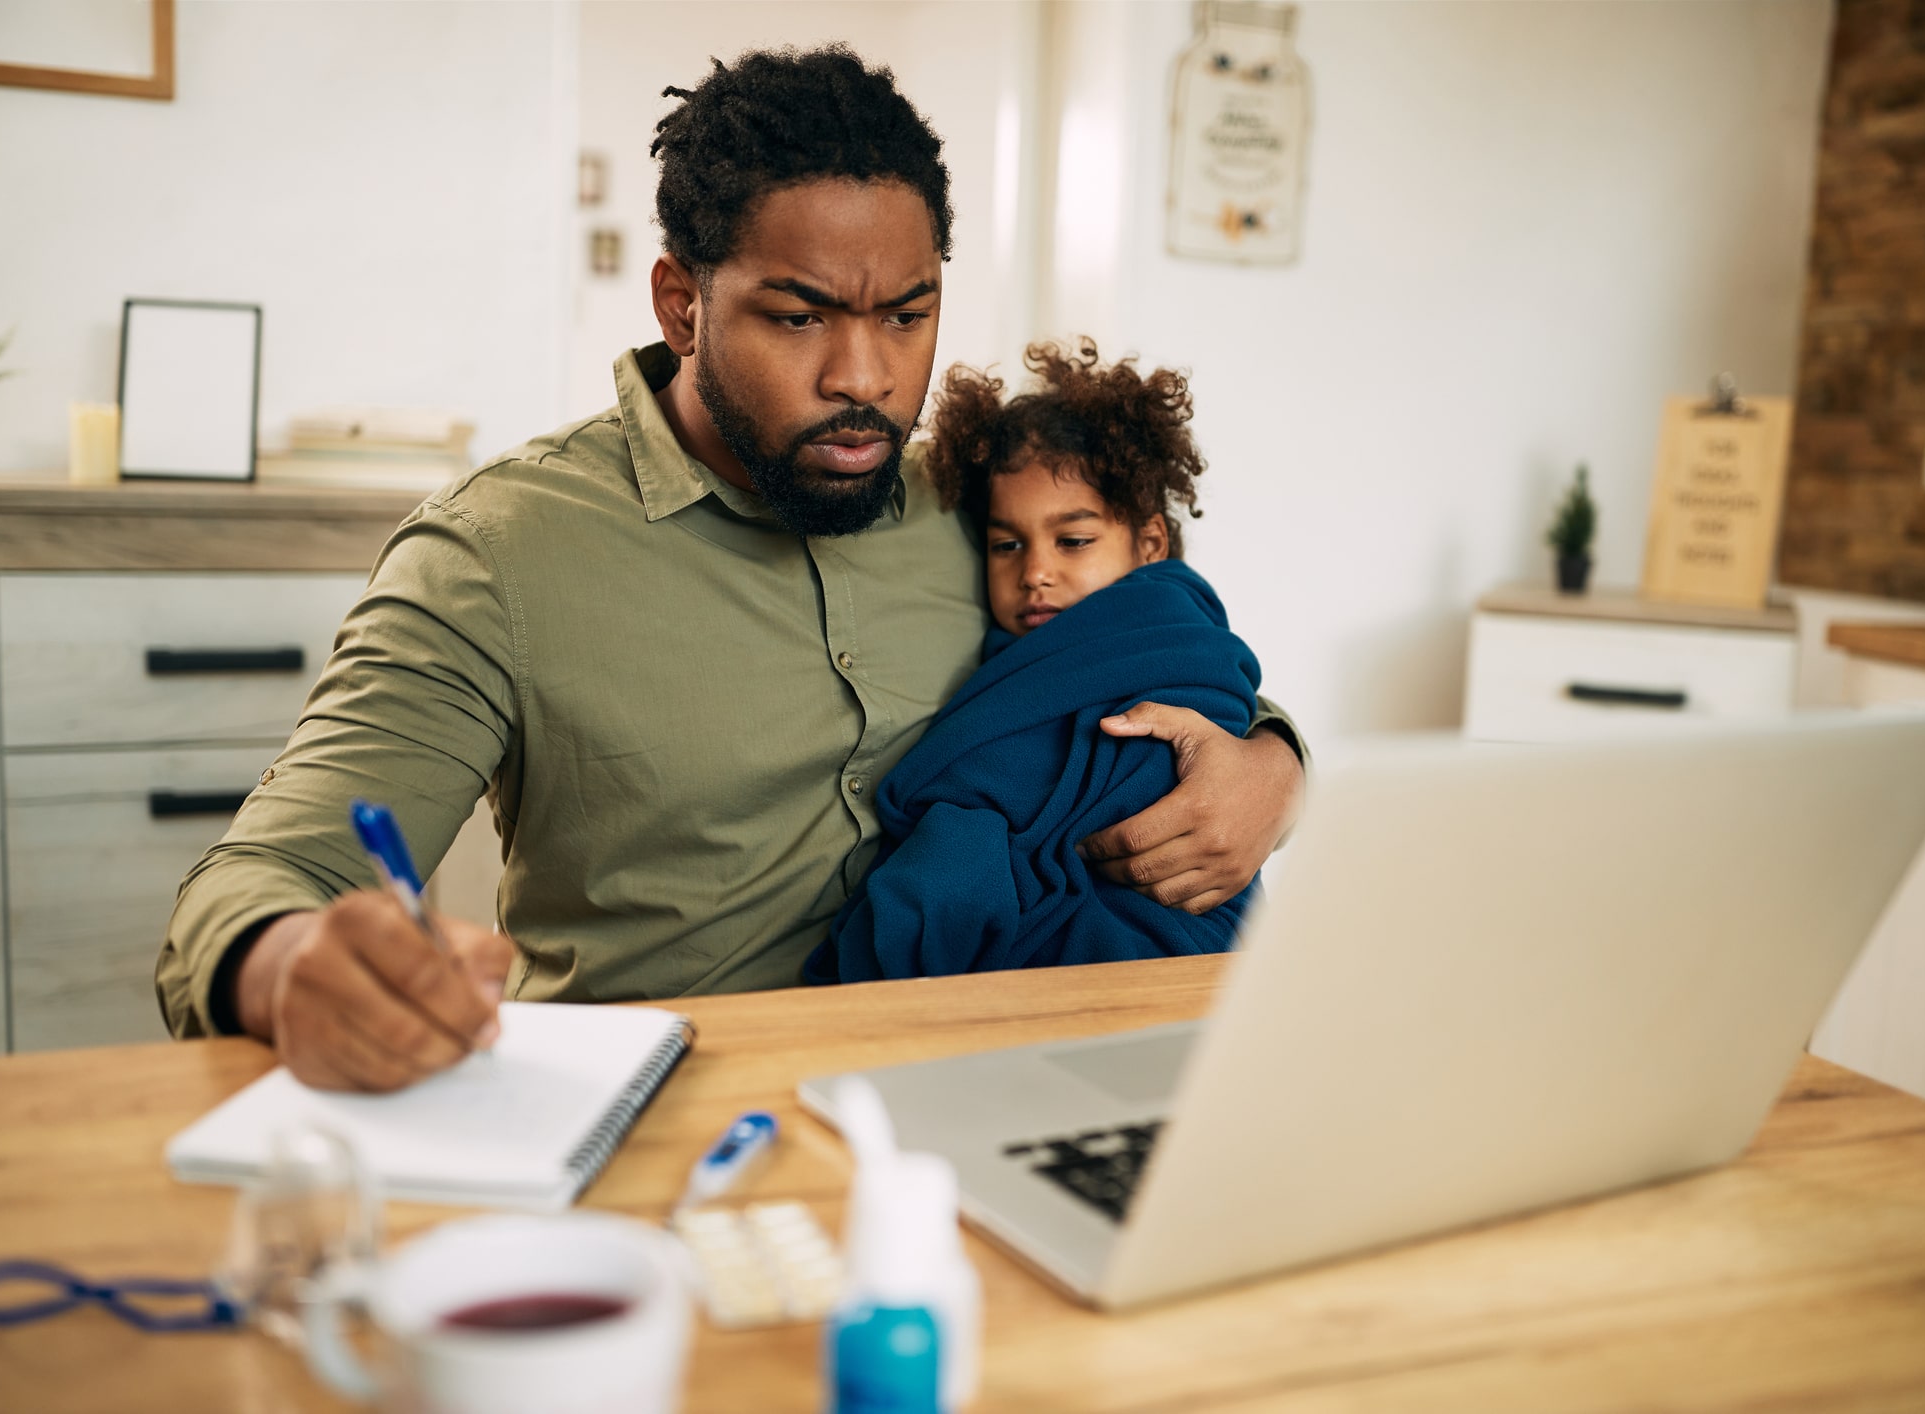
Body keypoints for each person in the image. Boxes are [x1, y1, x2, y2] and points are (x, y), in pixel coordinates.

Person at [154, 45, 1304, 1093]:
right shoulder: (495, 552)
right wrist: (291, 958)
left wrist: (1273, 764)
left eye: (908, 315)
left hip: (996, 1073)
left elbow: (1143, 657)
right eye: (800, 318)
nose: (865, 375)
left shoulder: (975, 504)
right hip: (662, 1112)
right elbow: (261, 875)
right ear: (683, 304)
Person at [805, 340, 1263, 983]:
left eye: (1073, 541)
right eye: (1006, 544)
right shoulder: (1009, 653)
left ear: (1151, 542)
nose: (1036, 573)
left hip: (1160, 949)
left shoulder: (1166, 635)